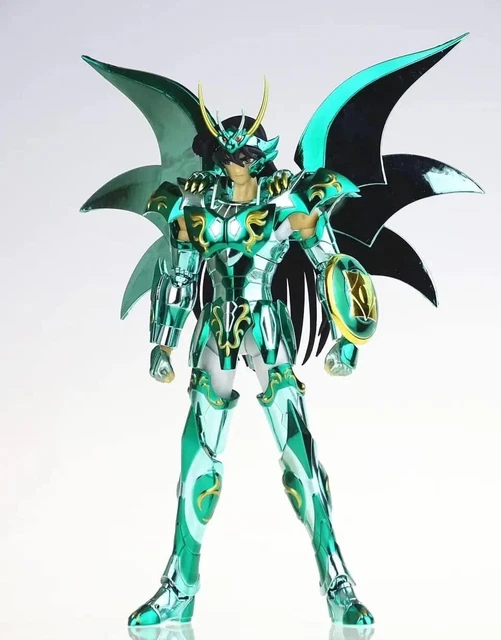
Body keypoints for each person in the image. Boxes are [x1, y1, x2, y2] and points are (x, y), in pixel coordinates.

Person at [80, 33, 482, 628]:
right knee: (197, 461)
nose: (241, 164)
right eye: (232, 155)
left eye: (250, 155)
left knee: (300, 460)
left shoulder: (291, 202)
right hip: (215, 329)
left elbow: (332, 267)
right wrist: (162, 339)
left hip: (268, 327)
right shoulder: (191, 205)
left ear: (263, 156)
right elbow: (180, 275)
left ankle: (338, 584)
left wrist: (348, 337)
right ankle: (178, 587)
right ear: (216, 155)